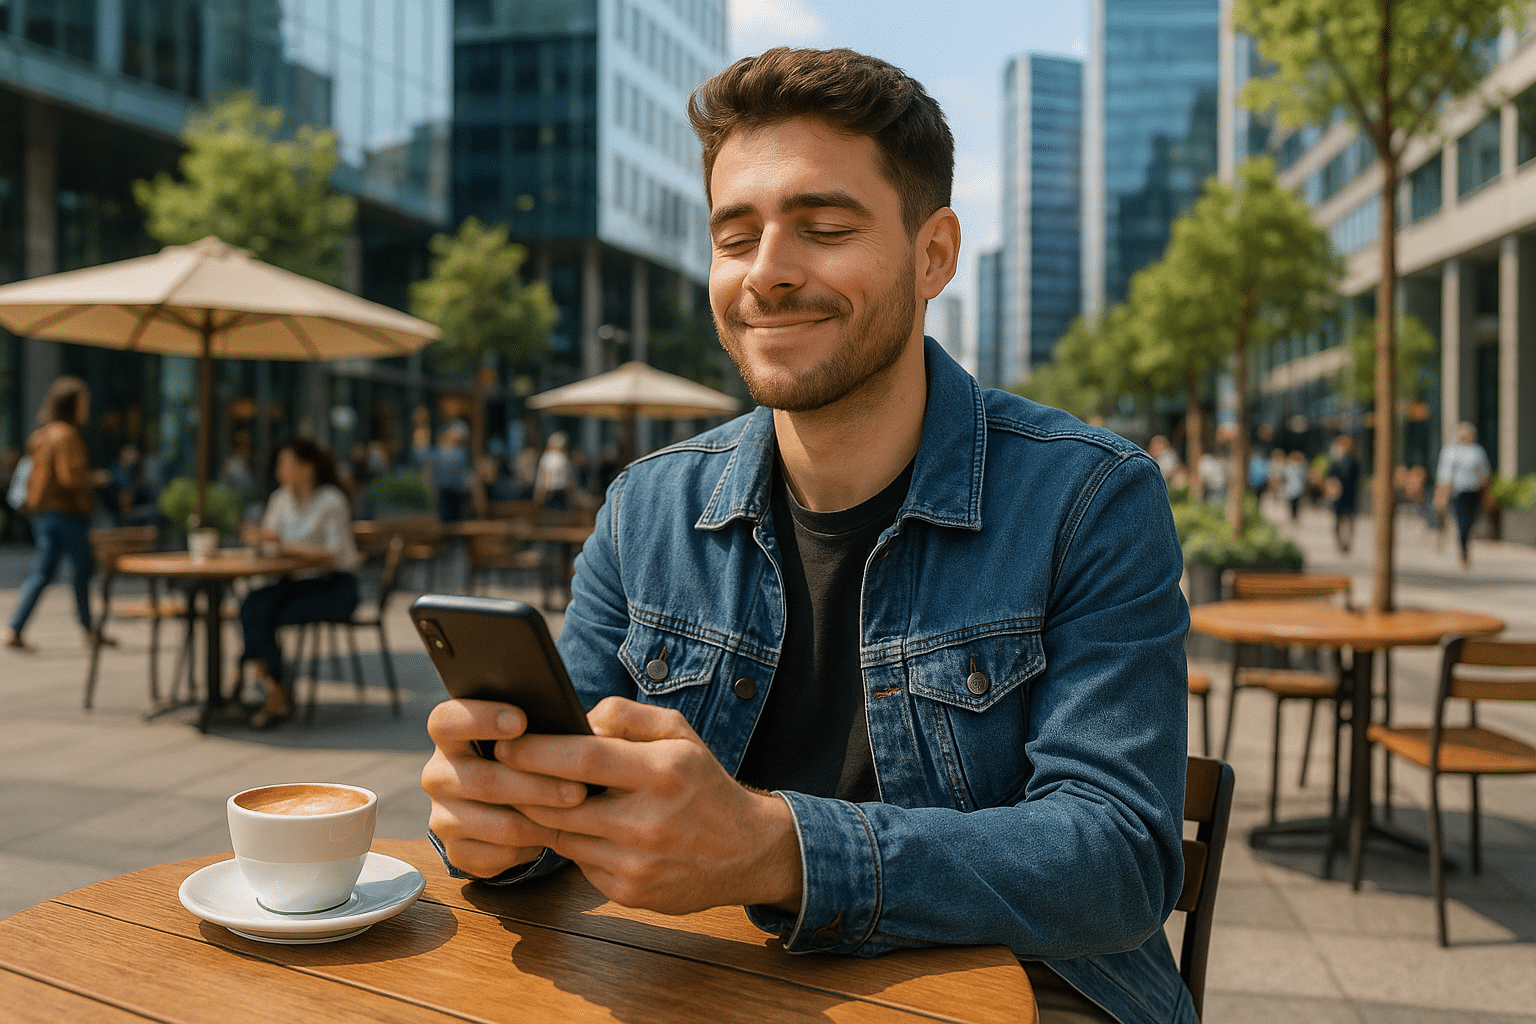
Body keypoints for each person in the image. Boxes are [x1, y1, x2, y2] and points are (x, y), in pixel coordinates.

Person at [420, 48, 1192, 1024]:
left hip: (1035, 999)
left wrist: (774, 847)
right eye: (734, 237)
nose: (769, 273)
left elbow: (1119, 859)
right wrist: (496, 821)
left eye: (824, 228)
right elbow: (556, 772)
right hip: (708, 988)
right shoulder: (646, 508)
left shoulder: (1091, 497)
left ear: (934, 255)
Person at [237, 438, 360, 728]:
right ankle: (274, 688)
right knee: (253, 604)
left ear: (307, 468)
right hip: (294, 582)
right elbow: (270, 541)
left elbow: (332, 553)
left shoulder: (331, 500)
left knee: (259, 613)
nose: (280, 469)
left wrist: (282, 544)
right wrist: (259, 540)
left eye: (286, 463)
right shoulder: (281, 499)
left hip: (334, 586)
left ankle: (266, 684)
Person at [6, 376, 104, 650]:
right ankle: (88, 629)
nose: (87, 408)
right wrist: (94, 479)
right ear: (73, 404)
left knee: (42, 572)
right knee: (83, 568)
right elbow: (69, 478)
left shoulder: (40, 435)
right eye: (84, 402)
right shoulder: (66, 435)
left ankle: (15, 628)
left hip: (42, 514)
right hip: (67, 513)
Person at [1435, 421, 1492, 569]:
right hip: (1457, 492)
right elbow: (1444, 475)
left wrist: (1486, 493)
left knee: (1470, 521)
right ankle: (1464, 550)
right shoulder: (1451, 451)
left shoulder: (1477, 451)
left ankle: (1465, 546)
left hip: (1473, 492)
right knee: (1462, 523)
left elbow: (1484, 474)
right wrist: (1442, 495)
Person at [424, 422, 473, 523]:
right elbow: (428, 473)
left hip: (458, 493)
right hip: (446, 493)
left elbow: (466, 475)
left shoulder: (461, 453)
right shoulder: (437, 453)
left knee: (456, 522)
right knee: (447, 522)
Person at [1325, 434, 1360, 554]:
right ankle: (1342, 543)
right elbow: (1329, 478)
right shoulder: (1337, 461)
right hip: (1341, 496)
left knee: (1347, 521)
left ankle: (1346, 543)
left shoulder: (1349, 462)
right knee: (1341, 521)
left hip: (1347, 495)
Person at [532, 432, 575, 514]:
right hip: (561, 491)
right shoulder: (563, 458)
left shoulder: (546, 457)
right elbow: (569, 478)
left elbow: (543, 478)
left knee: (549, 515)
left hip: (550, 491)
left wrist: (539, 494)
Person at [1281, 450, 1308, 522]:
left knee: (1293, 504)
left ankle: (1293, 515)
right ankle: (1293, 515)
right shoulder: (1297, 468)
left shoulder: (1297, 468)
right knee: (1294, 504)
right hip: (1295, 489)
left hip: (1294, 489)